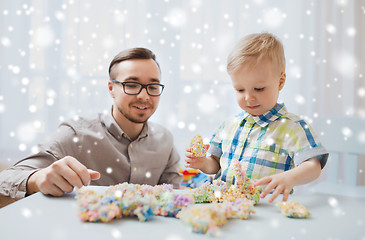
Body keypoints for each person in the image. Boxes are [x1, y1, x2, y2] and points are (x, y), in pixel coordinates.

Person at [0, 47, 182, 200]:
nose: (144, 96)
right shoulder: (76, 134)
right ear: (111, 89)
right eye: (132, 85)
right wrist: (37, 178)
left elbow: (173, 198)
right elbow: (6, 179)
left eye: (152, 87)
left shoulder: (164, 139)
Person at [185, 33, 328, 203]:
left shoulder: (293, 127)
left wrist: (289, 178)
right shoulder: (229, 125)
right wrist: (202, 163)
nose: (248, 98)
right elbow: (215, 164)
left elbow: (313, 166)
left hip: (266, 210)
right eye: (240, 90)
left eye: (259, 89)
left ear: (280, 81)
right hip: (224, 206)